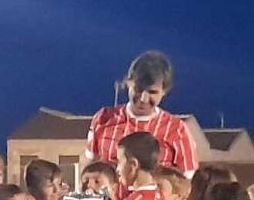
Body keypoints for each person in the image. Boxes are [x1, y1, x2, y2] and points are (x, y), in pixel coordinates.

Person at [85, 51, 199, 179]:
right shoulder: (103, 118)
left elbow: (186, 180)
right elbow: (91, 167)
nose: (144, 98)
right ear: (128, 83)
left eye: (152, 92)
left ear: (164, 91)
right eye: (138, 89)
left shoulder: (177, 130)